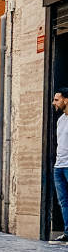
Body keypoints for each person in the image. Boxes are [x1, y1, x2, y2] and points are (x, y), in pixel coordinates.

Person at [53, 88, 68, 242]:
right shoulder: (60, 120)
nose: (54, 103)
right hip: (59, 166)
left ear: (66, 100)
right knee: (63, 201)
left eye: (57, 100)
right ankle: (67, 232)